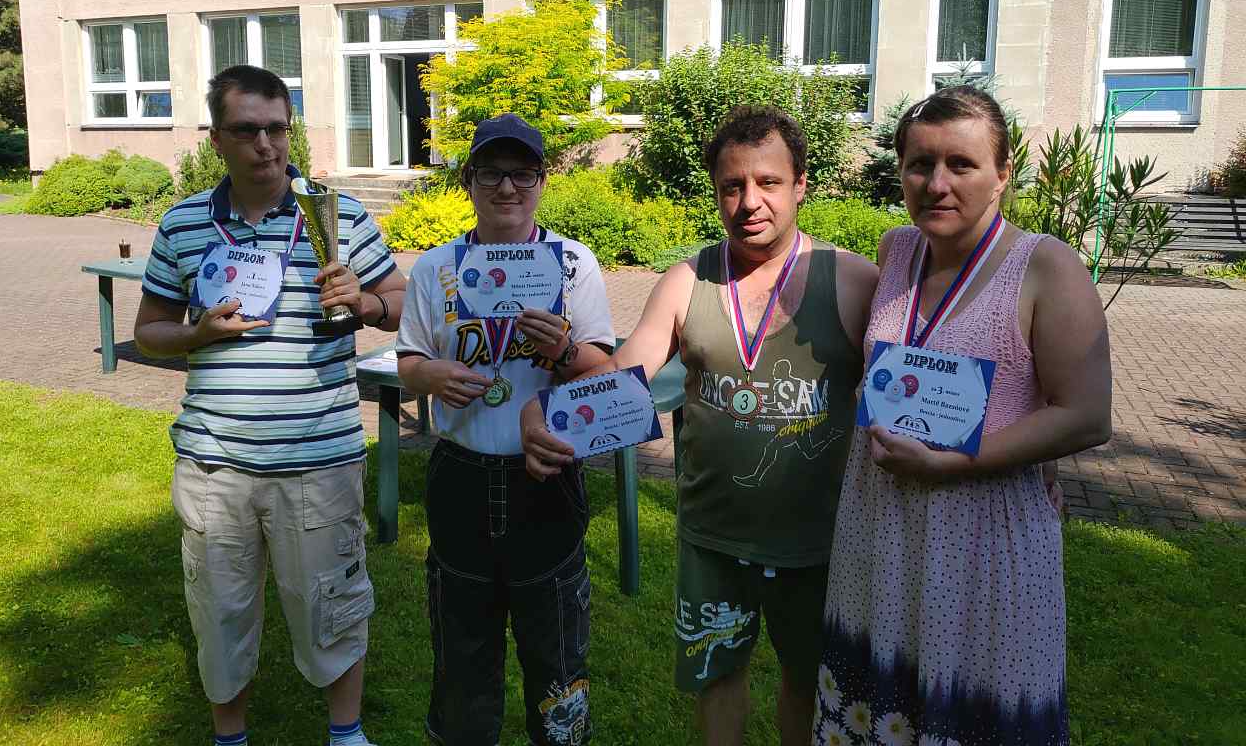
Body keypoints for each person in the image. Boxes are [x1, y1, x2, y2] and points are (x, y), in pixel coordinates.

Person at [522, 107, 880, 746]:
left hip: (819, 539)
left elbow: (906, 388)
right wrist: (546, 410)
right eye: (732, 186)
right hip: (713, 534)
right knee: (718, 680)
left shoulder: (852, 281)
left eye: (768, 182)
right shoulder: (687, 280)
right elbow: (624, 376)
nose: (750, 202)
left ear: (801, 185)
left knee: (811, 684)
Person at [810, 86, 1112, 746]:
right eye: (920, 164)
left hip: (982, 533)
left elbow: (1087, 414)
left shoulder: (1046, 267)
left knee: (971, 708)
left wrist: (958, 461)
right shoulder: (896, 251)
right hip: (882, 522)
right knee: (878, 707)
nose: (936, 184)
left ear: (1002, 173)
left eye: (961, 164)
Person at [134, 65, 405, 746]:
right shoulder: (184, 224)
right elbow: (148, 330)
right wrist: (196, 334)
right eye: (246, 130)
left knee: (333, 603)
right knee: (220, 610)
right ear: (216, 139)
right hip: (216, 463)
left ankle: (346, 734)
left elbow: (402, 304)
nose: (265, 144)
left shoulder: (336, 216)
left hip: (319, 458)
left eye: (277, 128)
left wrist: (365, 303)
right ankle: (231, 737)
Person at [395, 114, 616, 746]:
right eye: (491, 173)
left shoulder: (572, 264)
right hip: (461, 473)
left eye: (522, 173)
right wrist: (433, 374)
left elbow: (603, 372)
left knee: (556, 649)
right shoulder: (437, 267)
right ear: (468, 180)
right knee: (463, 651)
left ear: (542, 181)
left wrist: (563, 348)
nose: (507, 187)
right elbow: (409, 362)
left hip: (544, 476)